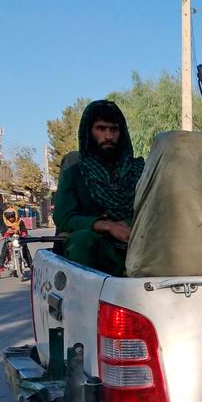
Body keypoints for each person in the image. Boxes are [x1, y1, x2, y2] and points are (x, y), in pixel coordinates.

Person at [53, 100, 143, 277]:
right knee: (82, 240)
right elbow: (64, 218)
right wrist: (107, 226)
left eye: (114, 129)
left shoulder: (139, 171)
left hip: (135, 245)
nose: (108, 136)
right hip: (94, 251)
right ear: (89, 132)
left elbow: (152, 210)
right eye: (101, 128)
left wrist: (128, 224)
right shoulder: (75, 173)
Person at [0, 206, 32, 272]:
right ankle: (0, 267)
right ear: (6, 218)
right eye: (9, 218)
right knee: (4, 251)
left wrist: (22, 233)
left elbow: (24, 230)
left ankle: (32, 267)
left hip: (19, 239)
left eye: (12, 217)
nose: (11, 219)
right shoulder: (5, 223)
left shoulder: (20, 221)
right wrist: (7, 233)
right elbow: (3, 231)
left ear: (15, 216)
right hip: (9, 239)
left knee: (26, 252)